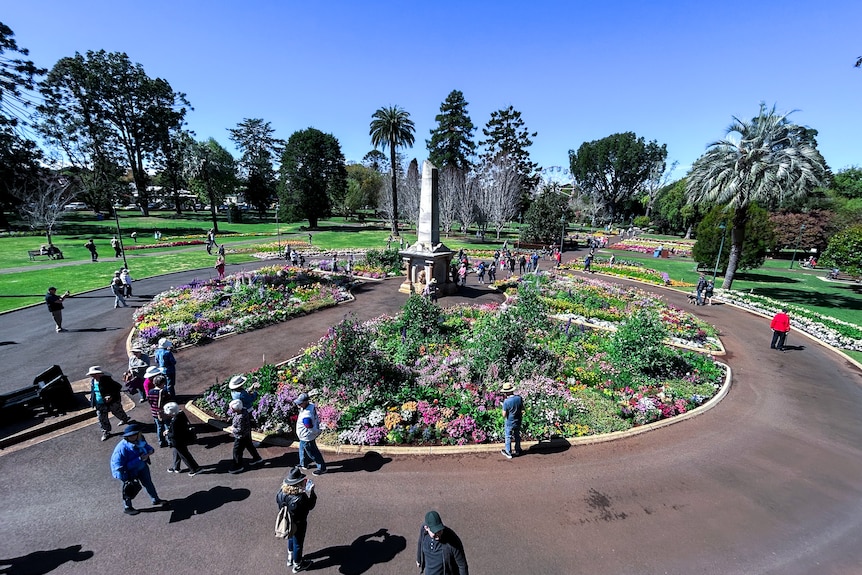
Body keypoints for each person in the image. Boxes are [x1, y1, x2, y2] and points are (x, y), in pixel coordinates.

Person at [110, 424, 169, 515]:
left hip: (141, 467)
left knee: (148, 483)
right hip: (126, 472)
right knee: (128, 489)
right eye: (130, 435)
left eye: (135, 434)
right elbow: (119, 467)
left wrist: (150, 450)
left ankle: (155, 500)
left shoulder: (140, 439)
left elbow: (146, 446)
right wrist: (139, 459)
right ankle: (127, 507)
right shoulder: (121, 449)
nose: (133, 436)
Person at [277, 466, 318, 573]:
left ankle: (290, 557)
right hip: (299, 523)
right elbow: (310, 506)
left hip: (287, 521)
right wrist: (312, 492)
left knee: (290, 537)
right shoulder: (300, 497)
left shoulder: (281, 492)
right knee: (298, 543)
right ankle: (298, 564)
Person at [416, 510, 469, 575]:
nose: (438, 535)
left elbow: (462, 566)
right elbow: (420, 543)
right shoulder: (423, 531)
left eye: (440, 531)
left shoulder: (452, 541)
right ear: (426, 528)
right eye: (435, 532)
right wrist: (419, 559)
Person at [88, 366, 132, 442]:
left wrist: (111, 396)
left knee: (117, 411)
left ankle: (124, 418)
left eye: (94, 374)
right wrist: (92, 399)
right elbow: (94, 391)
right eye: (92, 374)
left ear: (99, 374)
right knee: (101, 418)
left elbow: (118, 387)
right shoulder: (93, 381)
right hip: (100, 403)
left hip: (111, 402)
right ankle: (106, 432)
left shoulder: (107, 380)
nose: (93, 376)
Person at [163, 402, 202, 476]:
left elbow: (174, 434)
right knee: (177, 453)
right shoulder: (180, 414)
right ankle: (176, 467)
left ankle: (195, 469)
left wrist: (167, 433)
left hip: (178, 441)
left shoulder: (175, 421)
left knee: (184, 455)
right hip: (181, 439)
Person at [294, 393, 326, 475]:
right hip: (303, 436)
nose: (298, 404)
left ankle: (322, 468)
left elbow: (309, 426)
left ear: (305, 402)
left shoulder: (306, 416)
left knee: (313, 453)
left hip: (306, 436)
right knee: (302, 450)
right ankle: (303, 464)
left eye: (300, 403)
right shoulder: (310, 405)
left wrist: (317, 431)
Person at [228, 398, 263, 474]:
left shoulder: (240, 417)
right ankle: (257, 458)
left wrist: (232, 429)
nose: (230, 409)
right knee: (249, 445)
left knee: (237, 451)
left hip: (241, 437)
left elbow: (240, 430)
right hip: (247, 434)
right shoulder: (244, 411)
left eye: (232, 408)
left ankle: (238, 466)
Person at [500, 382, 523, 459]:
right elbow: (522, 408)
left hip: (510, 421)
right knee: (517, 435)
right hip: (518, 420)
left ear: (506, 392)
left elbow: (504, 415)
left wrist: (503, 407)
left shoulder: (506, 401)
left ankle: (508, 452)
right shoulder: (519, 398)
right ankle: (518, 449)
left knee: (508, 436)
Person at [147, 374, 169, 448]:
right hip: (164, 412)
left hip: (155, 412)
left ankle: (161, 442)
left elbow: (149, 401)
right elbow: (168, 402)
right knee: (167, 426)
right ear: (162, 383)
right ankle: (170, 440)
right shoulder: (164, 392)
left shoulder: (150, 392)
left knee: (159, 427)